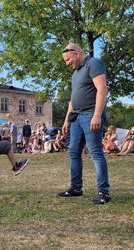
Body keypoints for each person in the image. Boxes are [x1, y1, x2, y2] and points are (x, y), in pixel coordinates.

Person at [58, 43, 111, 205]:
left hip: (90, 115)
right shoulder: (75, 74)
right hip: (76, 117)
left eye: (68, 59)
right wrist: (67, 120)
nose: (67, 63)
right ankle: (76, 188)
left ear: (76, 53)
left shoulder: (93, 63)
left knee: (95, 153)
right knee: (73, 152)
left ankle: (104, 192)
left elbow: (102, 89)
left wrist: (97, 115)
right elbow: (73, 100)